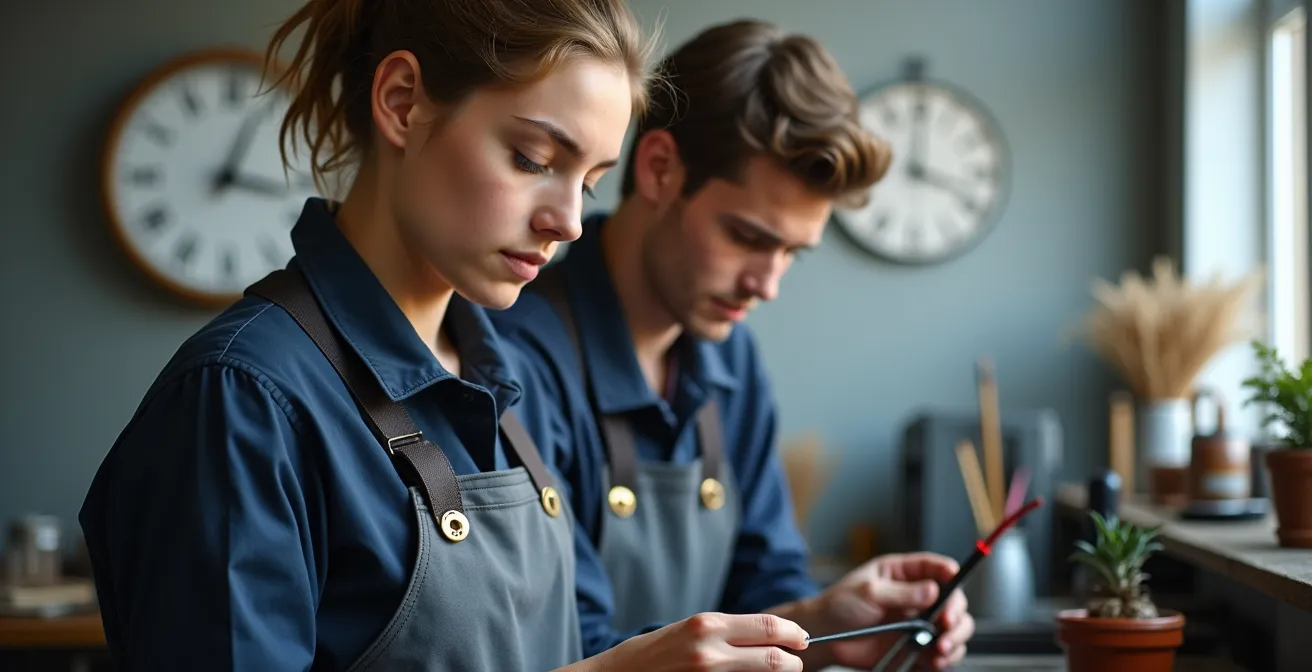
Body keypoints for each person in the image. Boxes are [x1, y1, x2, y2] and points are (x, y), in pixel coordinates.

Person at [78, 2, 817, 670]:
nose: (568, 220)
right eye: (533, 159)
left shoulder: (513, 383)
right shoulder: (241, 401)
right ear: (402, 104)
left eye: (588, 181)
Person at [491, 18, 977, 671]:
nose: (766, 285)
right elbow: (560, 641)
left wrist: (824, 620)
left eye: (792, 255)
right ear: (660, 168)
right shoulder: (509, 357)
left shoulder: (729, 359)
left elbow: (767, 580)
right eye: (748, 237)